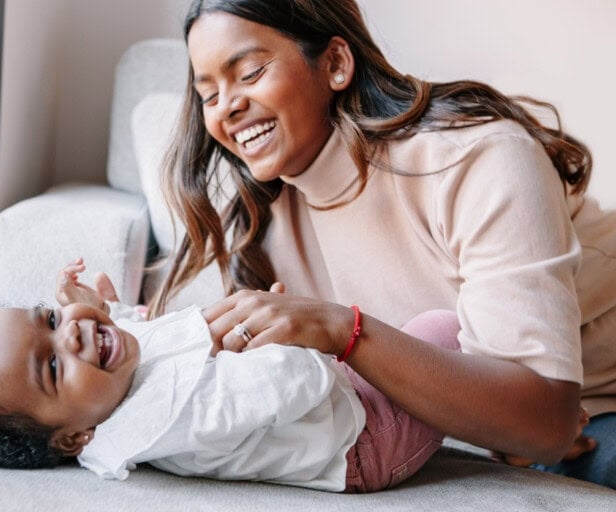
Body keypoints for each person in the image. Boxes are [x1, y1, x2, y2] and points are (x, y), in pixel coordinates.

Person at [148, 0, 616, 488]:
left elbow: (542, 424)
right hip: (492, 431)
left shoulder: (476, 159)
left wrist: (342, 330)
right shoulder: (263, 229)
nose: (227, 105)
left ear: (334, 64)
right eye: (208, 95)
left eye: (249, 72)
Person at [0, 259, 462, 492]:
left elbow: (147, 343)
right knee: (442, 331)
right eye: (53, 365)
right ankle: (505, 428)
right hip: (364, 437)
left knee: (410, 333)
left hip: (336, 395)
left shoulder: (109, 386)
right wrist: (279, 331)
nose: (73, 333)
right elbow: (301, 385)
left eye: (51, 319)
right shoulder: (171, 418)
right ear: (74, 438)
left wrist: (110, 307)